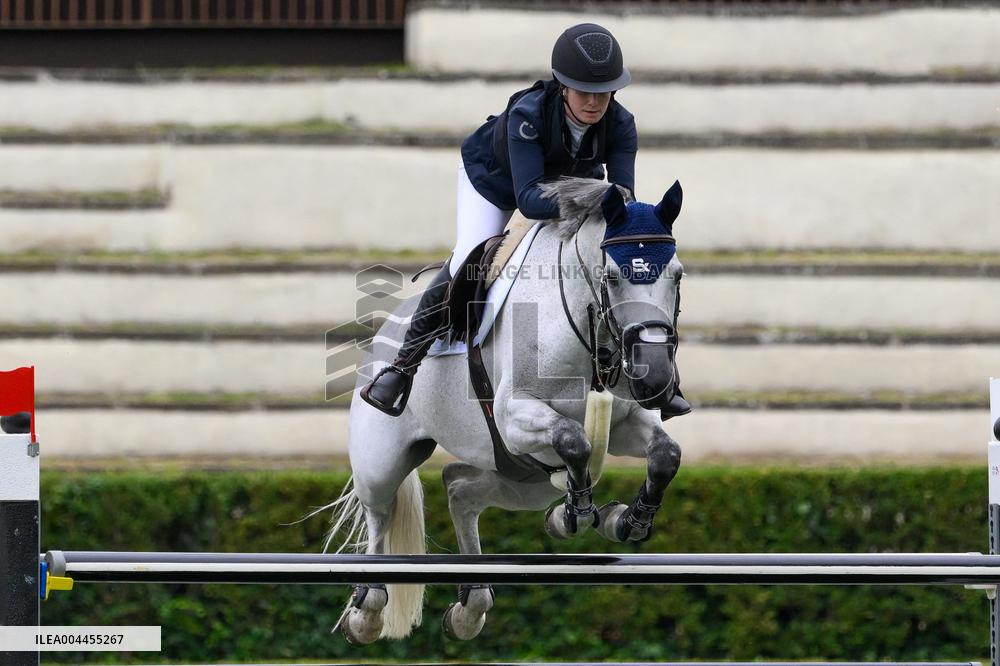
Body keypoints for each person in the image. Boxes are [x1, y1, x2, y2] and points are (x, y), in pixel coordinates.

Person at [361, 22, 691, 419]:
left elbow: (620, 201)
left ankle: (659, 380)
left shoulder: (621, 124)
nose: (594, 102)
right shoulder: (528, 115)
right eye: (584, 91)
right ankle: (402, 367)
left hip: (570, 189)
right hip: (496, 184)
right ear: (562, 86)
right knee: (469, 255)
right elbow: (530, 201)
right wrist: (594, 196)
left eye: (603, 93)